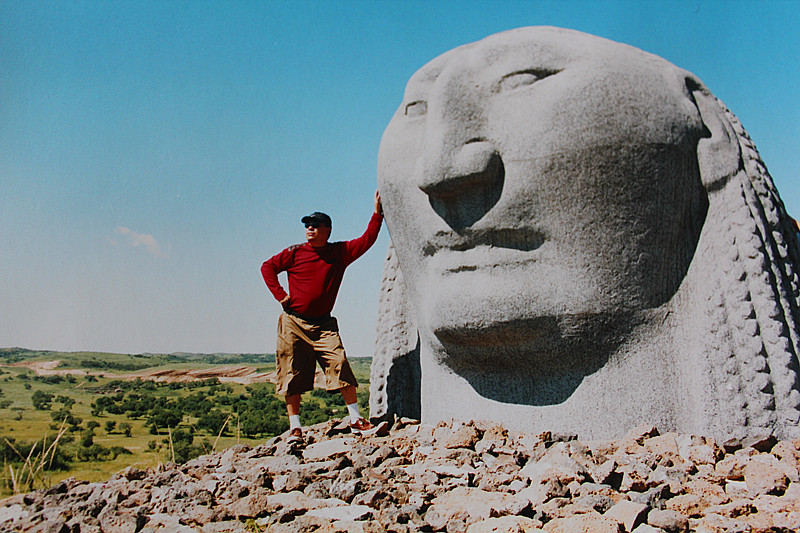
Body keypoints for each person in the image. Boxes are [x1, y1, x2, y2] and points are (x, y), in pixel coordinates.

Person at [261, 191, 388, 444]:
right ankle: (295, 429)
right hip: (293, 322)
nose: (309, 229)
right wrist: (280, 295)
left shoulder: (339, 252)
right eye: (307, 225)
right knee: (292, 373)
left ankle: (355, 421)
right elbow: (267, 267)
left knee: (339, 363)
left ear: (327, 230)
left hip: (323, 324)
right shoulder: (295, 252)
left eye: (315, 225)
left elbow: (367, 240)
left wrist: (378, 213)